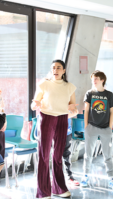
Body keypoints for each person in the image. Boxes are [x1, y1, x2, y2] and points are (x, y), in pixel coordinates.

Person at [31, 60, 77, 198]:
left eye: (58, 68)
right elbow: (33, 106)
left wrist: (72, 110)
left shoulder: (70, 87)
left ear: (63, 70)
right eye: (53, 68)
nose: (55, 70)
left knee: (57, 156)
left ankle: (59, 189)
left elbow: (73, 108)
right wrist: (35, 104)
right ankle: (43, 192)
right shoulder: (44, 84)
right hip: (46, 118)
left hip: (63, 119)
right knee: (44, 155)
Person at [80, 70, 113, 191]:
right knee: (88, 154)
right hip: (91, 127)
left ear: (102, 80)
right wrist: (86, 126)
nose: (94, 80)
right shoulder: (89, 93)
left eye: (96, 78)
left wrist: (110, 126)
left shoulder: (109, 94)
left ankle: (111, 178)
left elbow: (112, 112)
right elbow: (86, 111)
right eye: (93, 78)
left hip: (105, 128)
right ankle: (85, 176)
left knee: (108, 155)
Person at [63, 118, 80, 186]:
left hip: (67, 131)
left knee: (66, 154)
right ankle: (55, 178)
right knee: (55, 155)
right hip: (55, 131)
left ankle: (69, 176)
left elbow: (74, 110)